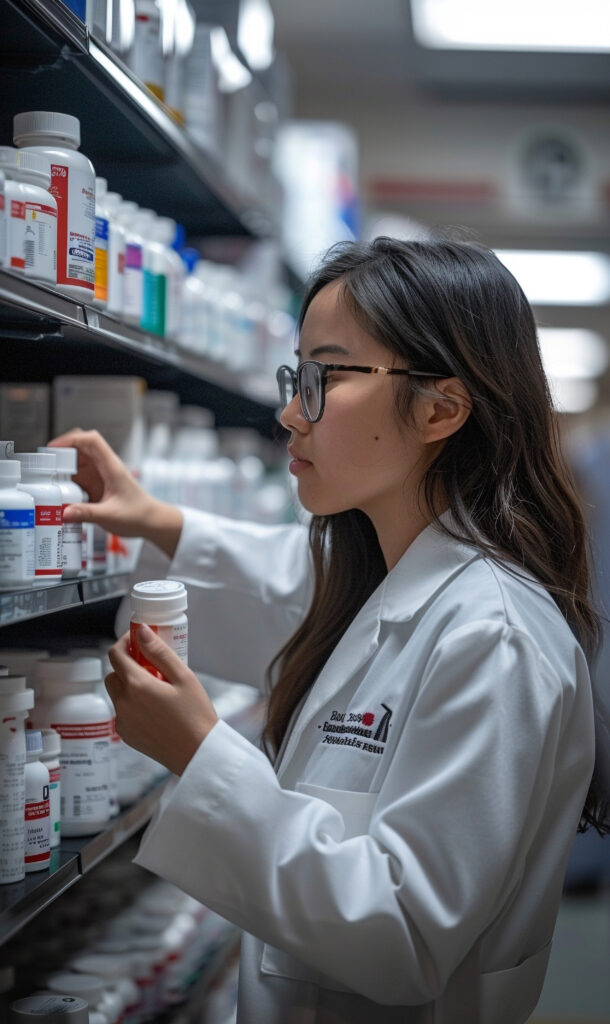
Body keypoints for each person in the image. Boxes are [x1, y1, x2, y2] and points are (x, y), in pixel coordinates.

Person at [51, 238, 609, 1024]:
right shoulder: (387, 572)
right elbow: (287, 582)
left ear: (441, 408)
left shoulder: (496, 639)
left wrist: (201, 754)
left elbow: (405, 934)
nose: (289, 411)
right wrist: (157, 520)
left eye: (325, 376)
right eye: (295, 375)